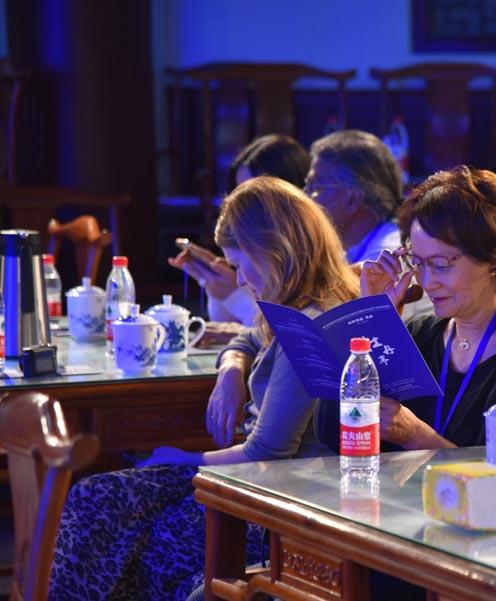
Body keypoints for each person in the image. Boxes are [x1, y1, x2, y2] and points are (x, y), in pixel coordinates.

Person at [50, 177, 357, 601]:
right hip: (257, 481)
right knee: (97, 500)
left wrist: (185, 458)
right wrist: (232, 369)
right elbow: (245, 340)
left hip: (283, 498)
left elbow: (267, 452)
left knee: (110, 513)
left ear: (275, 250)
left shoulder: (309, 325)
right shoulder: (290, 305)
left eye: (239, 262)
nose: (239, 278)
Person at [316, 166, 496, 452]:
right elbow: (332, 432)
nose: (427, 282)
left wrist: (415, 435)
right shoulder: (422, 335)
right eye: (418, 263)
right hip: (404, 495)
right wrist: (373, 316)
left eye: (441, 265)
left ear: (491, 257)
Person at [169, 134, 311, 327]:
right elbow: (228, 329)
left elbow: (286, 336)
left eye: (256, 193)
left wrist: (233, 295)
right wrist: (214, 285)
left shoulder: (306, 252)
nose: (243, 202)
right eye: (239, 190)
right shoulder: (250, 243)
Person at [306, 129, 403, 263]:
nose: (305, 196)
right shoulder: (347, 249)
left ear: (353, 200)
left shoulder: (385, 257)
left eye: (315, 187)